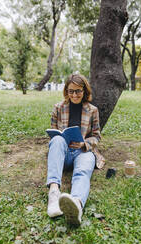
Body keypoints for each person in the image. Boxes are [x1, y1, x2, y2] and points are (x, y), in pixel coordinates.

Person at [46, 74, 105, 225]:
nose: (74, 95)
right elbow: (53, 133)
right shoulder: (58, 108)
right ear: (66, 91)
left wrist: (84, 143)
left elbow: (96, 136)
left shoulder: (93, 110)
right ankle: (53, 194)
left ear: (85, 91)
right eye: (71, 91)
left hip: (82, 151)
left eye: (78, 91)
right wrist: (59, 138)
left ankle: (77, 205)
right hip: (63, 154)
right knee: (58, 139)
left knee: (83, 171)